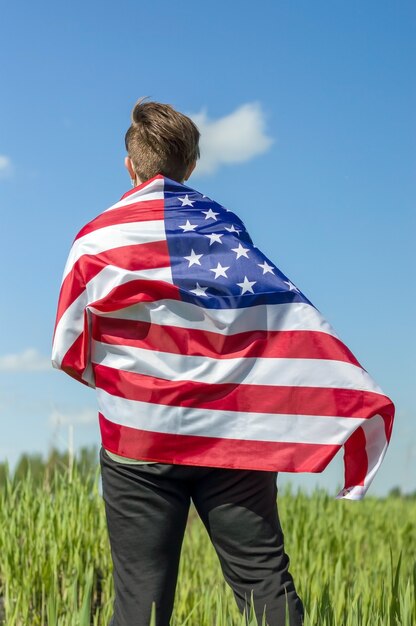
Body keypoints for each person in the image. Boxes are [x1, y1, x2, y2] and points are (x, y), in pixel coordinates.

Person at [52, 98, 394, 625]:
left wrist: (136, 385)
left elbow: (69, 351)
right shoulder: (226, 229)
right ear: (191, 166)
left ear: (130, 165)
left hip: (137, 438)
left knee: (138, 600)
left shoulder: (96, 238)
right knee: (265, 585)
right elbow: (267, 316)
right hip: (230, 437)